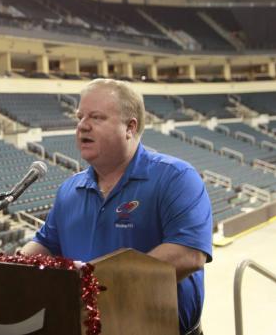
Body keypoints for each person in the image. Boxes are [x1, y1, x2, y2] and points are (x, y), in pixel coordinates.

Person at [22, 78, 212, 335]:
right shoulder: (69, 190)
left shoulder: (175, 177)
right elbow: (45, 244)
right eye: (79, 117)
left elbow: (189, 254)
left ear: (130, 127)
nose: (82, 126)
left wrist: (95, 288)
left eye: (97, 117)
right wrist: (7, 265)